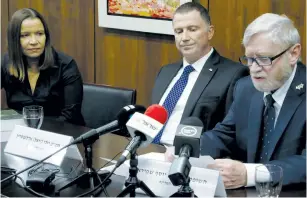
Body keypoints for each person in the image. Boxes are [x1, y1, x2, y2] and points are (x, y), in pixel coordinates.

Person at [200, 13, 305, 188]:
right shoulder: (245, 88)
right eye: (249, 59)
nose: (254, 69)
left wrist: (250, 174)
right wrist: (185, 150)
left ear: (293, 54)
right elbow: (224, 135)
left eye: (264, 59)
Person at [151, 2, 249, 145]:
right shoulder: (166, 71)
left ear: (210, 32)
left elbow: (230, 133)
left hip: (189, 157)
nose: (184, 37)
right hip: (149, 152)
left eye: (192, 29)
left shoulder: (234, 74)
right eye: (179, 31)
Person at [1, 8, 85, 125]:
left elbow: (70, 116)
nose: (34, 41)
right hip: (21, 135)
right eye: (25, 35)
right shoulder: (5, 63)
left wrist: (37, 136)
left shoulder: (66, 65)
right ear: (14, 40)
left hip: (63, 134)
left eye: (39, 34)